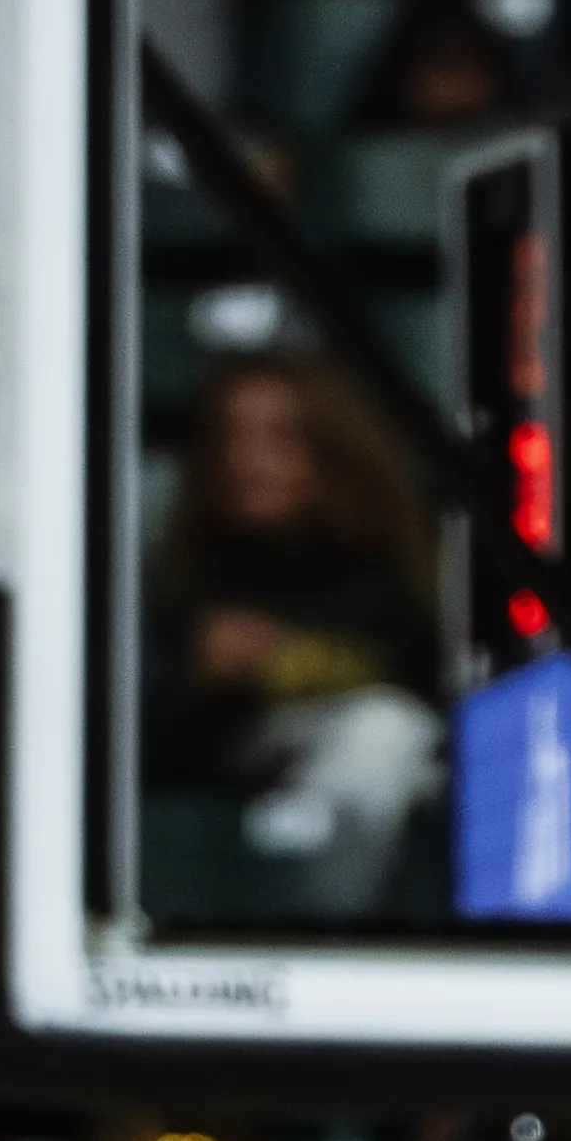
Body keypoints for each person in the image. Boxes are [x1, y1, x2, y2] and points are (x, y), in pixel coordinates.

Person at [136, 353, 445, 854]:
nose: (246, 462)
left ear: (334, 452)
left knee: (385, 730)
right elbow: (144, 752)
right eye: (229, 438)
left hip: (377, 777)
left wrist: (286, 658)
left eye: (278, 438)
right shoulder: (178, 574)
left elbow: (432, 682)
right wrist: (202, 676)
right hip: (237, 784)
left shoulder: (394, 566)